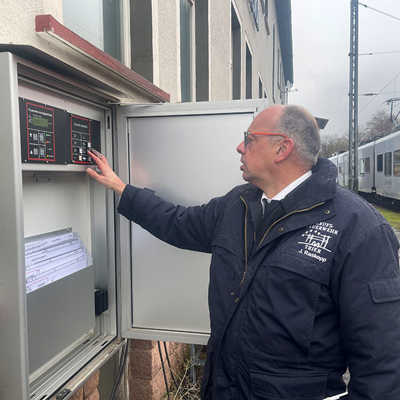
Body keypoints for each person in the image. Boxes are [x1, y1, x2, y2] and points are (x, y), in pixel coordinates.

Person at [87, 105, 400, 400]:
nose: (240, 147)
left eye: (249, 139)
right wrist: (122, 189)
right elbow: (178, 223)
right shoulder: (238, 206)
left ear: (282, 148)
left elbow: (382, 360)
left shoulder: (358, 229)